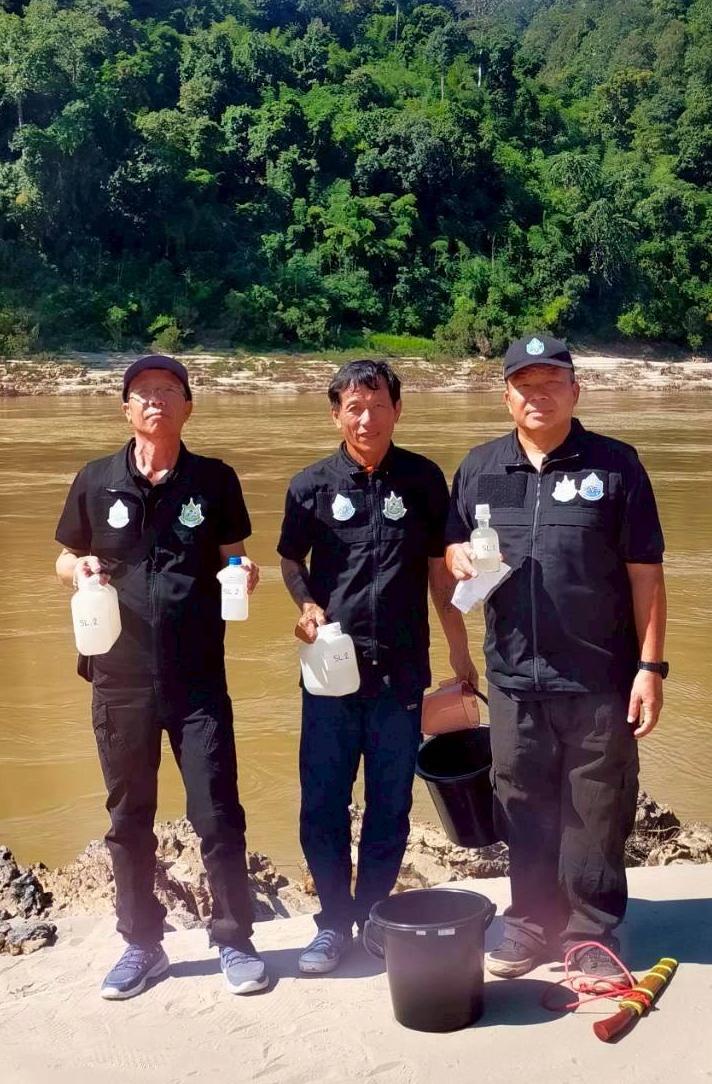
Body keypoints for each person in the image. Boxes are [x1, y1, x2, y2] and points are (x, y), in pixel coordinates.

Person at [444, 335, 668, 981]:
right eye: (525, 385)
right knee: (520, 801)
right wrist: (457, 556)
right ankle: (530, 921)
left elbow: (647, 575)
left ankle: (591, 933)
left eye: (551, 384)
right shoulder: (481, 467)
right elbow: (453, 546)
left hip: (599, 677)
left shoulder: (615, 467)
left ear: (576, 390)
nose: (537, 396)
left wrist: (650, 669)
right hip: (513, 677)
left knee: (596, 808)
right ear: (506, 395)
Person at [53, 354, 268, 1000]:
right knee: (129, 816)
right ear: (126, 409)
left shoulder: (215, 480)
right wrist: (79, 571)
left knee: (218, 812)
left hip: (198, 677)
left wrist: (246, 574)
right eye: (144, 392)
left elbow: (235, 558)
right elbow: (66, 558)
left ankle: (235, 940)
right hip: (118, 677)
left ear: (188, 407)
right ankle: (142, 944)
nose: (156, 401)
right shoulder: (96, 480)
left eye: (169, 391)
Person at [278, 359, 473, 974]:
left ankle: (374, 914)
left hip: (401, 673)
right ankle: (333, 922)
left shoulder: (422, 479)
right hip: (330, 671)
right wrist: (307, 604)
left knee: (391, 804)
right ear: (335, 415)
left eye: (379, 405)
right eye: (354, 408)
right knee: (323, 803)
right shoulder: (310, 485)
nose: (367, 419)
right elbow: (290, 559)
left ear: (398, 410)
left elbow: (440, 573)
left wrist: (461, 652)